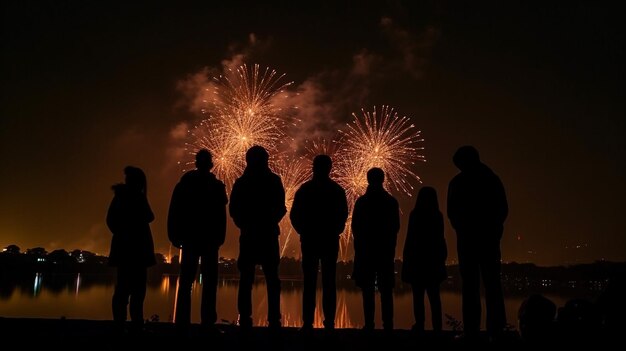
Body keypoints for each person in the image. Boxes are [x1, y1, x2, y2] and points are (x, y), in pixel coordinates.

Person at [447, 145, 508, 339]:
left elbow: (452, 212)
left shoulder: (457, 183)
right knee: (492, 285)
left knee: (470, 286)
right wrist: (494, 230)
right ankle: (496, 329)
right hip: (488, 239)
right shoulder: (492, 179)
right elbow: (502, 209)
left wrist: (463, 228)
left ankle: (472, 329)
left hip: (468, 241)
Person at [167, 149, 228, 335]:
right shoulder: (216, 186)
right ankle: (207, 324)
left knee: (186, 282)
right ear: (210, 164)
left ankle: (182, 323)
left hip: (191, 238)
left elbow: (174, 212)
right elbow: (221, 216)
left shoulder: (184, 185)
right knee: (208, 283)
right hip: (207, 239)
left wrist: (174, 236)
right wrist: (220, 238)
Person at [229, 145, 286, 331]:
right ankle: (274, 319)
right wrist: (268, 222)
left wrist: (245, 225)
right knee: (272, 279)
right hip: (268, 235)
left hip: (249, 236)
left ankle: (245, 318)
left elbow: (234, 210)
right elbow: (281, 208)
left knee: (246, 278)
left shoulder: (241, 183)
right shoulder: (274, 181)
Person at [290, 155, 349, 331]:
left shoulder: (305, 189)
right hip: (329, 240)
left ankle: (307, 323)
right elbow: (343, 215)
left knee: (309, 282)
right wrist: (335, 230)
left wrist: (303, 231)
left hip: (310, 240)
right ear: (329, 168)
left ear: (313, 168)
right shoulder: (337, 190)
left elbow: (294, 215)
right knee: (329, 282)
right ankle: (329, 323)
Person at [106, 166, 156, 334]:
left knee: (123, 289)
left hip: (125, 250)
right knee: (137, 290)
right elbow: (150, 216)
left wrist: (120, 234)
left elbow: (110, 220)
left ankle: (120, 323)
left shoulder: (120, 197)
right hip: (138, 250)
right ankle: (136, 323)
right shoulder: (136, 197)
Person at [351, 168, 400, 331]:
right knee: (386, 291)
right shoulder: (391, 202)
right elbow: (395, 227)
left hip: (366, 251)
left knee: (367, 290)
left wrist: (360, 246)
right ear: (383, 179)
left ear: (368, 179)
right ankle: (388, 325)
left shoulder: (362, 202)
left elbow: (355, 227)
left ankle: (369, 324)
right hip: (385, 251)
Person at [402, 186, 447, 334]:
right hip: (433, 263)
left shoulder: (415, 215)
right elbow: (441, 240)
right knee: (435, 297)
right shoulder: (437, 215)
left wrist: (407, 261)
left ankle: (420, 325)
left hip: (417, 263)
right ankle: (437, 327)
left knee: (418, 297)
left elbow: (410, 240)